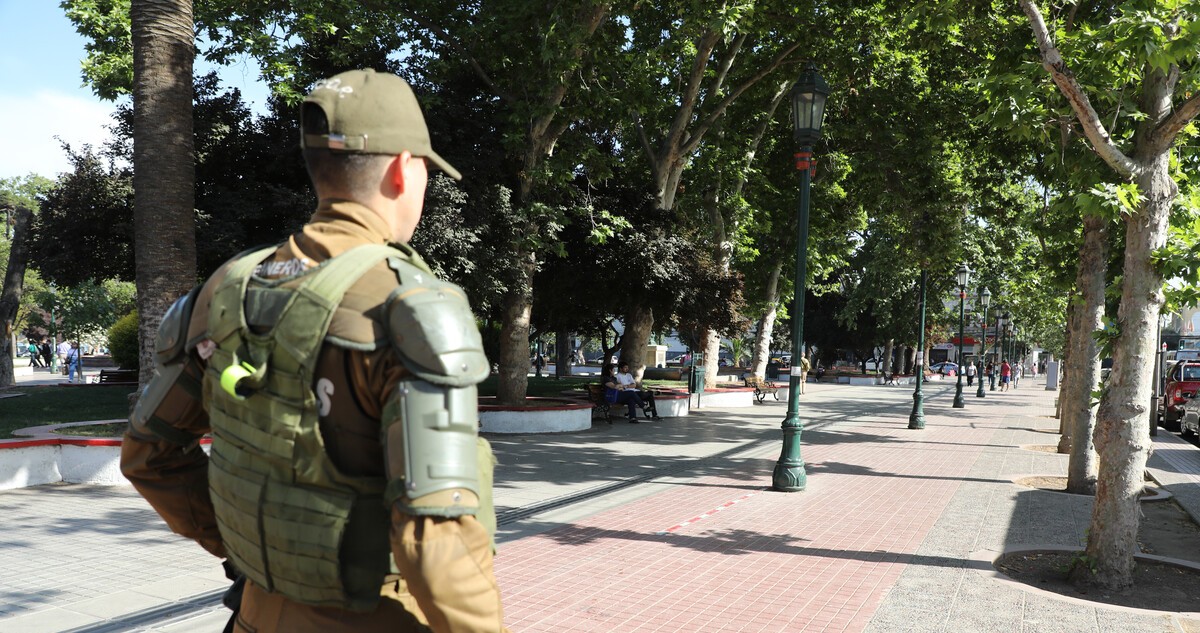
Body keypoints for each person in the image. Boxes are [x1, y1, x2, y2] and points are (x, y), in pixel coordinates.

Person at [120, 69, 509, 633]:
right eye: (426, 170)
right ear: (403, 169)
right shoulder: (412, 308)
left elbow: (148, 454)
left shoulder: (228, 288)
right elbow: (436, 537)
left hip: (256, 615)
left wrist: (259, 553)